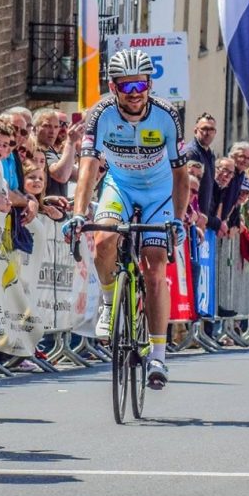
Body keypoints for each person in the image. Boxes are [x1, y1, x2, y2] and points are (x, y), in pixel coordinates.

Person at [63, 49, 188, 390]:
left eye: (141, 84)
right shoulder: (100, 113)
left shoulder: (166, 114)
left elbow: (181, 175)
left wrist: (178, 218)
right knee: (103, 239)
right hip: (120, 186)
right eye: (126, 85)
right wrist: (78, 214)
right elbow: (88, 168)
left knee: (155, 267)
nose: (134, 93)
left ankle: (159, 355)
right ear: (113, 86)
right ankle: (107, 303)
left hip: (159, 192)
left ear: (149, 84)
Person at [181, 113, 218, 229]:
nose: (208, 133)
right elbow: (189, 188)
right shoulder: (192, 152)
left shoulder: (210, 155)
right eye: (204, 129)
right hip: (191, 218)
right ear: (195, 130)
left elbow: (209, 188)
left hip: (202, 218)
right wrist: (196, 214)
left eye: (211, 129)